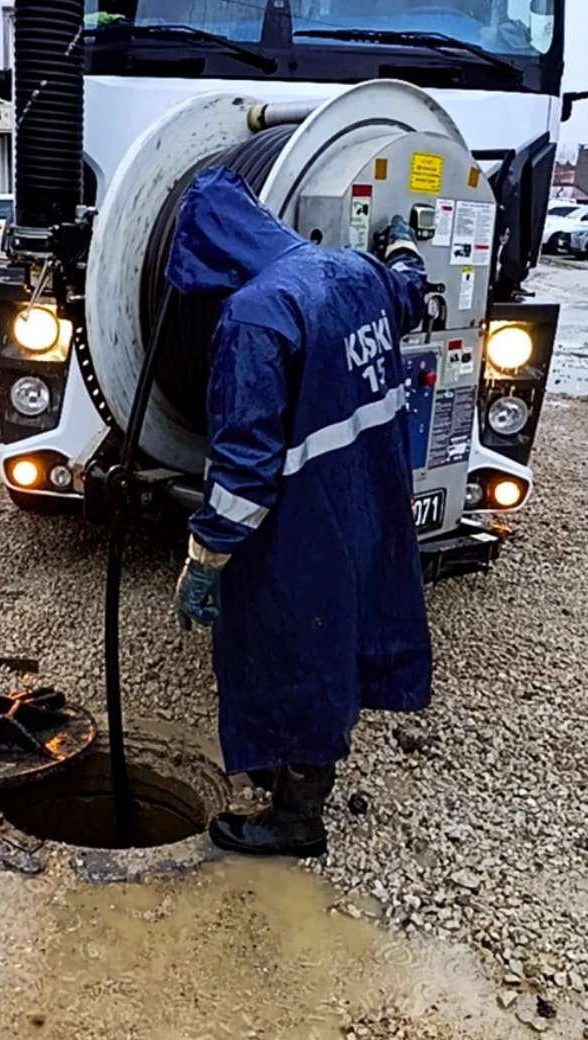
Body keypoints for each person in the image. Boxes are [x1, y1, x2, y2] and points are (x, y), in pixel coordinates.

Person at [166, 166, 431, 859]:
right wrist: (402, 245)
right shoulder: (353, 271)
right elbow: (411, 292)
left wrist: (206, 556)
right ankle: (281, 762)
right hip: (367, 500)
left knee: (292, 648)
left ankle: (296, 817)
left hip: (301, 523)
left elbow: (246, 468)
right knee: (338, 633)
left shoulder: (257, 315)